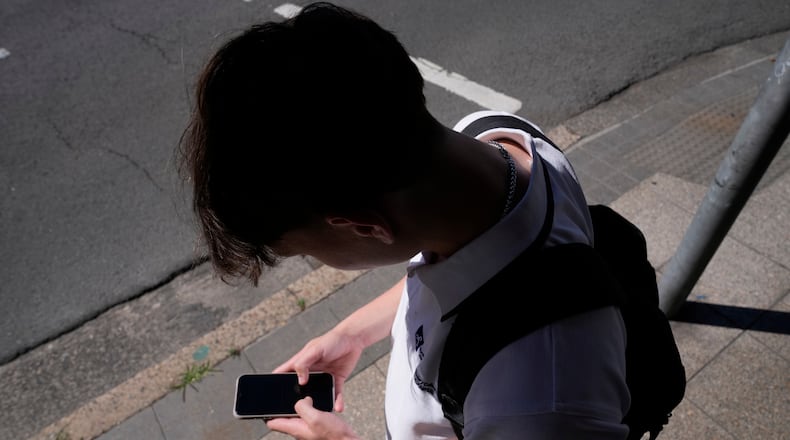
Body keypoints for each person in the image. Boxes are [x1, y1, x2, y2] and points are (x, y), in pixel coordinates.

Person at [179, 2, 630, 439]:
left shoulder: (538, 403)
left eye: (308, 252)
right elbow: (452, 277)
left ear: (366, 225)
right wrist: (352, 333)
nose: (316, 259)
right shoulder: (486, 145)